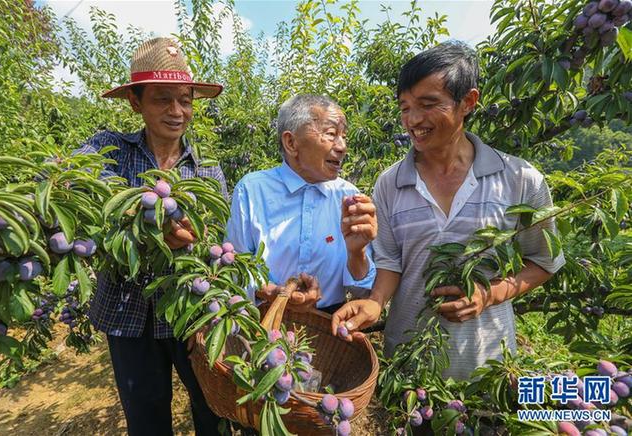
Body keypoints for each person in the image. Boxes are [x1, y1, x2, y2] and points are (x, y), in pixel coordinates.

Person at [331, 42, 565, 380]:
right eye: (405, 107)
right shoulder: (390, 183)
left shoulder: (520, 179)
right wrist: (376, 301)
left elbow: (543, 262)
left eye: (428, 105)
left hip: (490, 367)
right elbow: (391, 262)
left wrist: (490, 294)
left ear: (468, 102)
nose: (413, 121)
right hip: (409, 370)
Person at [75, 37, 226, 435]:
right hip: (127, 315)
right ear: (135, 103)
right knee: (145, 418)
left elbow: (216, 247)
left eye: (186, 99)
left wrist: (199, 248)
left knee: (212, 411)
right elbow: (72, 188)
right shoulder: (108, 148)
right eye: (162, 99)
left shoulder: (207, 171)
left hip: (190, 316)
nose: (177, 112)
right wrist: (147, 223)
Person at [225, 94, 377, 314]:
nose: (342, 147)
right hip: (264, 322)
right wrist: (271, 292)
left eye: (344, 137)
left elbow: (362, 292)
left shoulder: (348, 197)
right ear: (291, 143)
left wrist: (358, 252)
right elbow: (233, 268)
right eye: (331, 134)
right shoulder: (252, 190)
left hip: (328, 331)